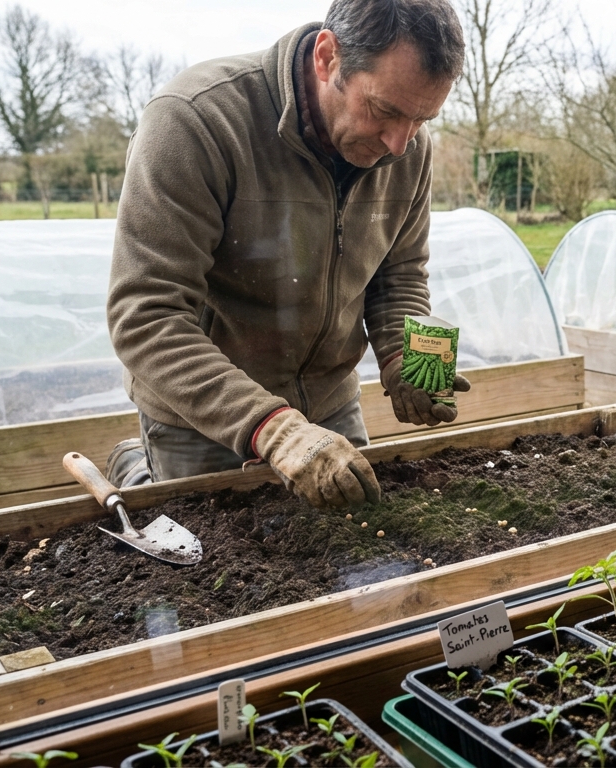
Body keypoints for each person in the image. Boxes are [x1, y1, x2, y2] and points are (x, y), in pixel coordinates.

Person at [104, 0, 469, 510]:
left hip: (328, 401)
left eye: (422, 118)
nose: (399, 144)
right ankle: (141, 468)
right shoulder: (195, 122)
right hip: (205, 414)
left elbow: (399, 274)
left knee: (355, 542)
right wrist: (275, 430)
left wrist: (409, 358)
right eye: (384, 111)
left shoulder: (408, 145)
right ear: (327, 57)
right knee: (217, 570)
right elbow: (146, 314)